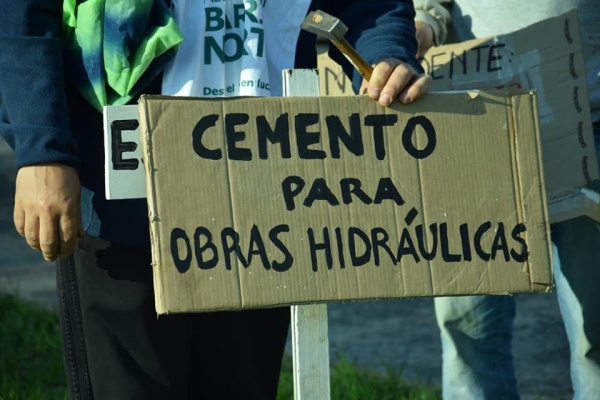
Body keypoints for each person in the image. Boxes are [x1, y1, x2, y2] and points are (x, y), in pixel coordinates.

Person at [0, 0, 431, 398]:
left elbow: (370, 6)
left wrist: (385, 55)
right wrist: (43, 150)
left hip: (263, 206)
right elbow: (23, 14)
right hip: (122, 203)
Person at [414, 1, 600, 398]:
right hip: (473, 120)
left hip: (588, 117)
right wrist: (424, 22)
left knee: (595, 330)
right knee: (467, 329)